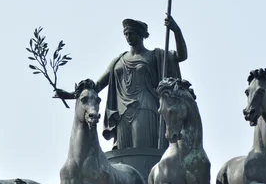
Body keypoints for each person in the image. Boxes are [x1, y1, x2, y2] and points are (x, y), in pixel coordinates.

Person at [56, 14, 188, 150]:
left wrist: (175, 30)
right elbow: (97, 86)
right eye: (126, 34)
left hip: (145, 107)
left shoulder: (154, 55)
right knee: (124, 154)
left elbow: (181, 55)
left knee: (142, 150)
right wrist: (71, 95)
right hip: (121, 112)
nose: (128, 37)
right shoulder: (119, 61)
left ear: (141, 35)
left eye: (131, 33)